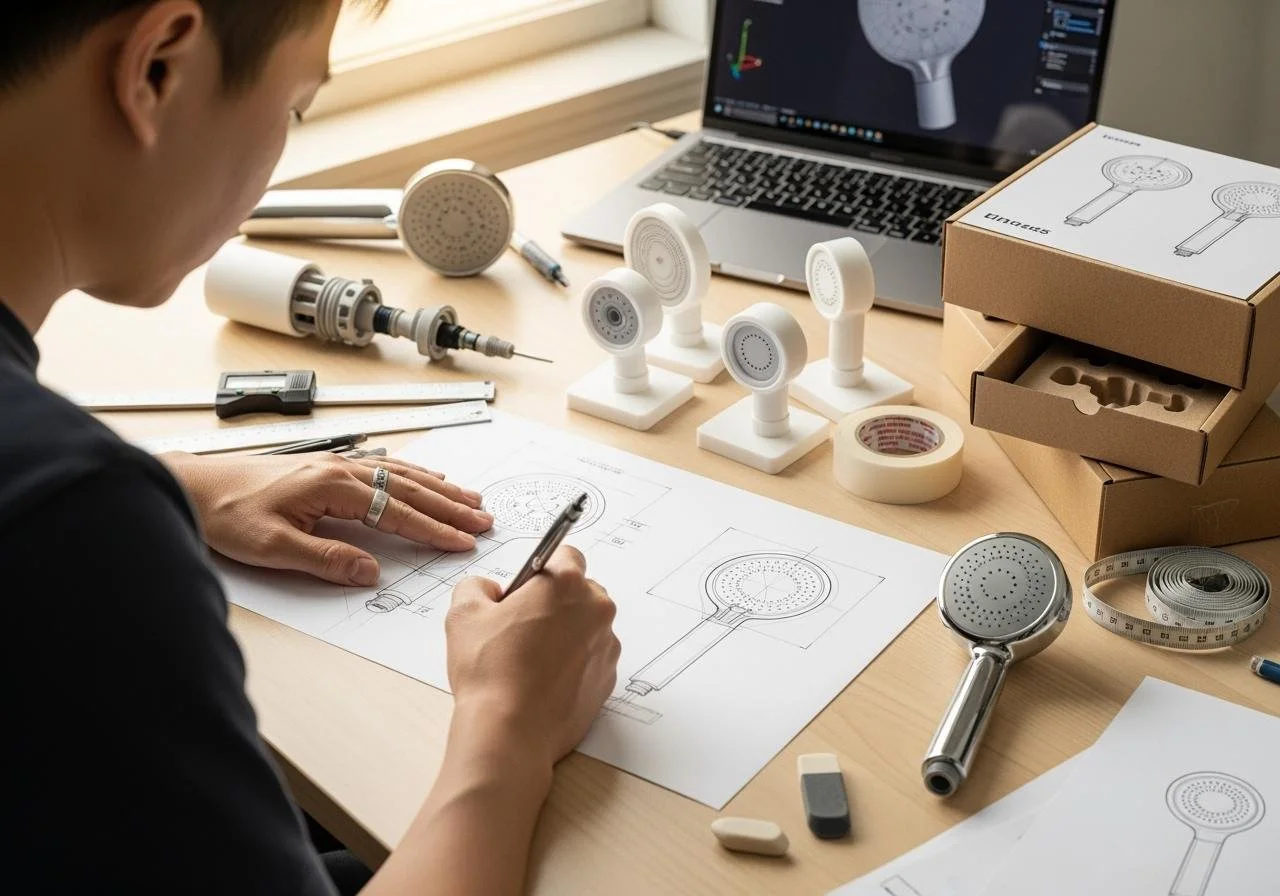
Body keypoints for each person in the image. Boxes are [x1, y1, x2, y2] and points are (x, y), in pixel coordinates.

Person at [1, 2, 621, 893]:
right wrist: (508, 729)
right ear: (157, 70)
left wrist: (177, 481)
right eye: (294, 108)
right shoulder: (70, 530)